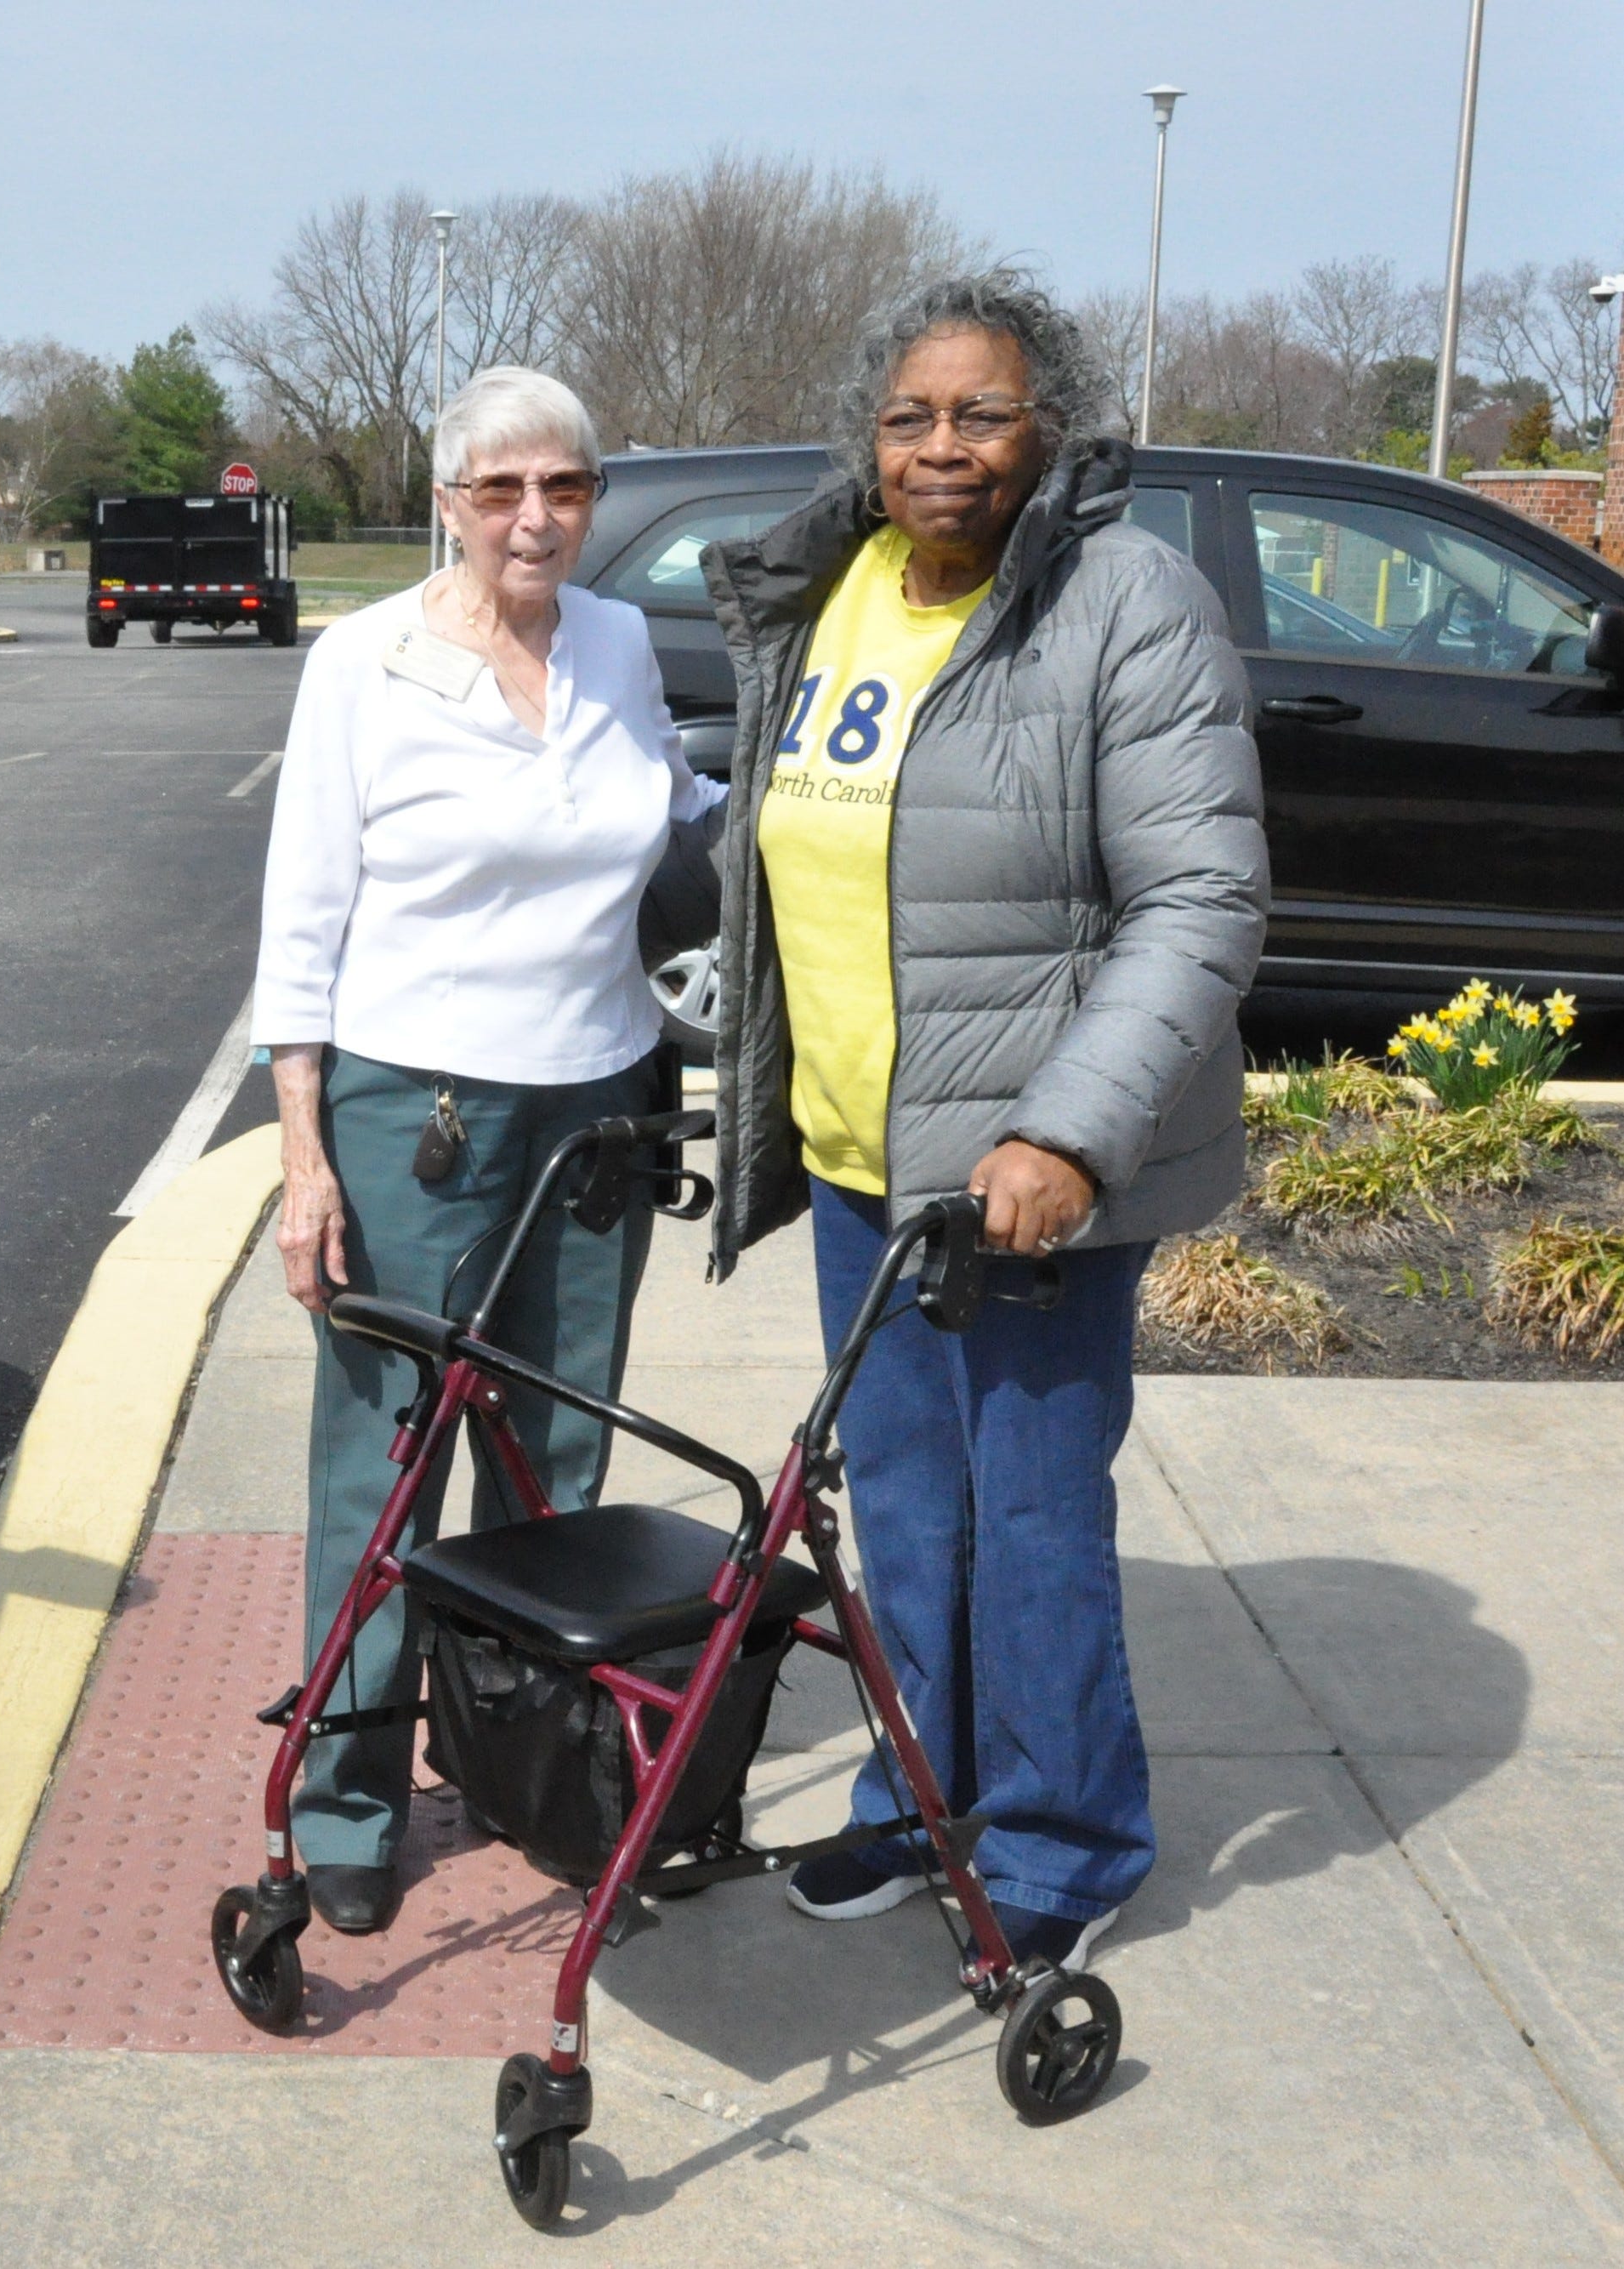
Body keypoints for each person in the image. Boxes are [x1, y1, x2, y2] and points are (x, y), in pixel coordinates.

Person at [698, 270, 1268, 1971]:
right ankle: (919, 1786)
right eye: (910, 416)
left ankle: (1065, 1835)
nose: (943, 448)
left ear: (1053, 431)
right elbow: (785, 856)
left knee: (1028, 1514)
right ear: (869, 444)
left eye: (983, 413)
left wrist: (1070, 1135)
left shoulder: (1125, 601)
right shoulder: (839, 590)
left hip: (1028, 1182)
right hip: (871, 1164)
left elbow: (1204, 898)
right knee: (907, 1505)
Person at [252, 365, 724, 1935]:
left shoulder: (616, 639)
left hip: (594, 1102)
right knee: (386, 1462)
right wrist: (304, 1157)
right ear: (446, 499)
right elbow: (301, 919)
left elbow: (669, 816)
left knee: (554, 1464)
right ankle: (350, 1790)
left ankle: (532, 1763)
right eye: (500, 489)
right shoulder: (363, 663)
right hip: (417, 1115)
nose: (535, 519)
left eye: (566, 488)